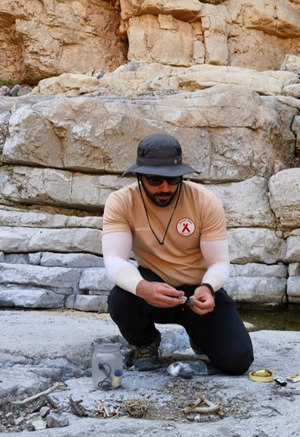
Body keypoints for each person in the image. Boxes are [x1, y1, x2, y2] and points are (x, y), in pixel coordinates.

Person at [102, 133, 254, 375]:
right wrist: (143, 288)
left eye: (172, 180)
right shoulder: (121, 201)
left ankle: (200, 337)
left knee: (238, 361)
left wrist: (209, 288)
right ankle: (145, 342)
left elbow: (219, 262)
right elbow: (114, 259)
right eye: (155, 180)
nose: (164, 188)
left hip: (199, 291)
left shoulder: (205, 201)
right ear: (140, 177)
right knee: (121, 299)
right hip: (153, 285)